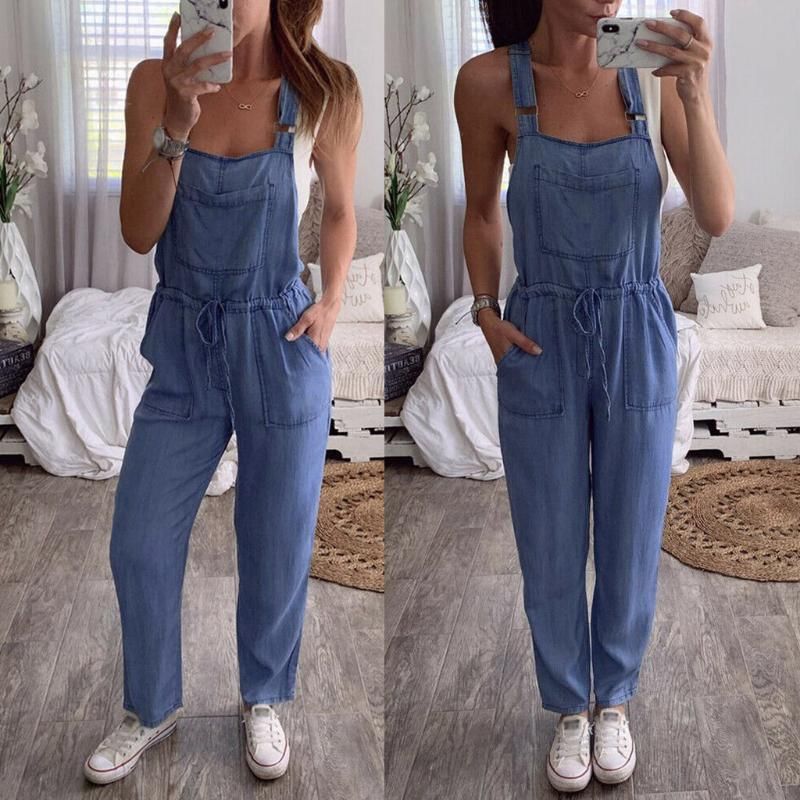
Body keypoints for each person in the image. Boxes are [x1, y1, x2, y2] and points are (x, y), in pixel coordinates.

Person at [455, 0, 732, 791]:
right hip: (539, 330)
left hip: (636, 327)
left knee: (633, 527)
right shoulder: (488, 82)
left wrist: (696, 92)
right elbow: (481, 211)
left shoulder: (652, 77)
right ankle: (568, 706)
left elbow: (716, 213)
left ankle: (614, 700)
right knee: (546, 532)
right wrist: (484, 311)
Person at [83, 0, 361, 785]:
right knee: (139, 540)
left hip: (281, 339)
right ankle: (150, 705)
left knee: (277, 539)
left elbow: (342, 213)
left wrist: (333, 300)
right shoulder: (153, 82)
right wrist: (177, 117)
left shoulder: (322, 90)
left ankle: (262, 697)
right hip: (185, 339)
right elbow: (139, 232)